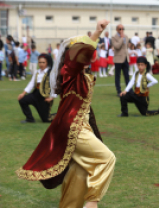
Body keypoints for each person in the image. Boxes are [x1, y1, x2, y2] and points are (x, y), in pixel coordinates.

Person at [16, 20, 116, 208]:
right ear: (74, 54)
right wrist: (96, 33)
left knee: (80, 172)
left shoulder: (79, 73)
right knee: (107, 158)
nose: (88, 50)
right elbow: (81, 54)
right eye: (82, 48)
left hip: (77, 125)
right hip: (74, 127)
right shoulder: (70, 70)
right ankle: (92, 203)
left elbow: (85, 108)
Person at [17, 54, 56, 123]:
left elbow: (55, 86)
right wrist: (23, 93)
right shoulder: (37, 72)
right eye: (40, 62)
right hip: (35, 94)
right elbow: (31, 83)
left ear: (47, 63)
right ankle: (30, 119)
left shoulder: (51, 73)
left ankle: (61, 115)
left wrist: (51, 97)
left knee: (46, 119)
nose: (41, 64)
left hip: (44, 98)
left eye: (43, 62)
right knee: (22, 100)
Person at [112, 24, 130, 96]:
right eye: (120, 29)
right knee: (118, 76)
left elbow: (126, 46)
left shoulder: (126, 36)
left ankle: (129, 90)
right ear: (117, 30)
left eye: (123, 29)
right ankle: (119, 91)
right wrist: (122, 38)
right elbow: (117, 46)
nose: (121, 30)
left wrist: (123, 38)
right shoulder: (114, 37)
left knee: (127, 76)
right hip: (118, 59)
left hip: (125, 58)